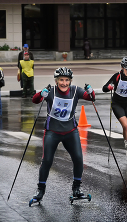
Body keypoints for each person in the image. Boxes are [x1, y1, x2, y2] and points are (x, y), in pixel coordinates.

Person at [31, 67, 95, 202]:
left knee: (78, 158)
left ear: (70, 81)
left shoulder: (75, 90)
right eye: (61, 80)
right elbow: (35, 100)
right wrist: (41, 94)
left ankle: (76, 189)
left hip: (70, 131)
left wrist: (91, 91)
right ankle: (40, 190)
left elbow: (90, 98)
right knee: (47, 160)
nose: (64, 83)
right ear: (56, 81)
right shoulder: (51, 91)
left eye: (66, 80)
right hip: (52, 132)